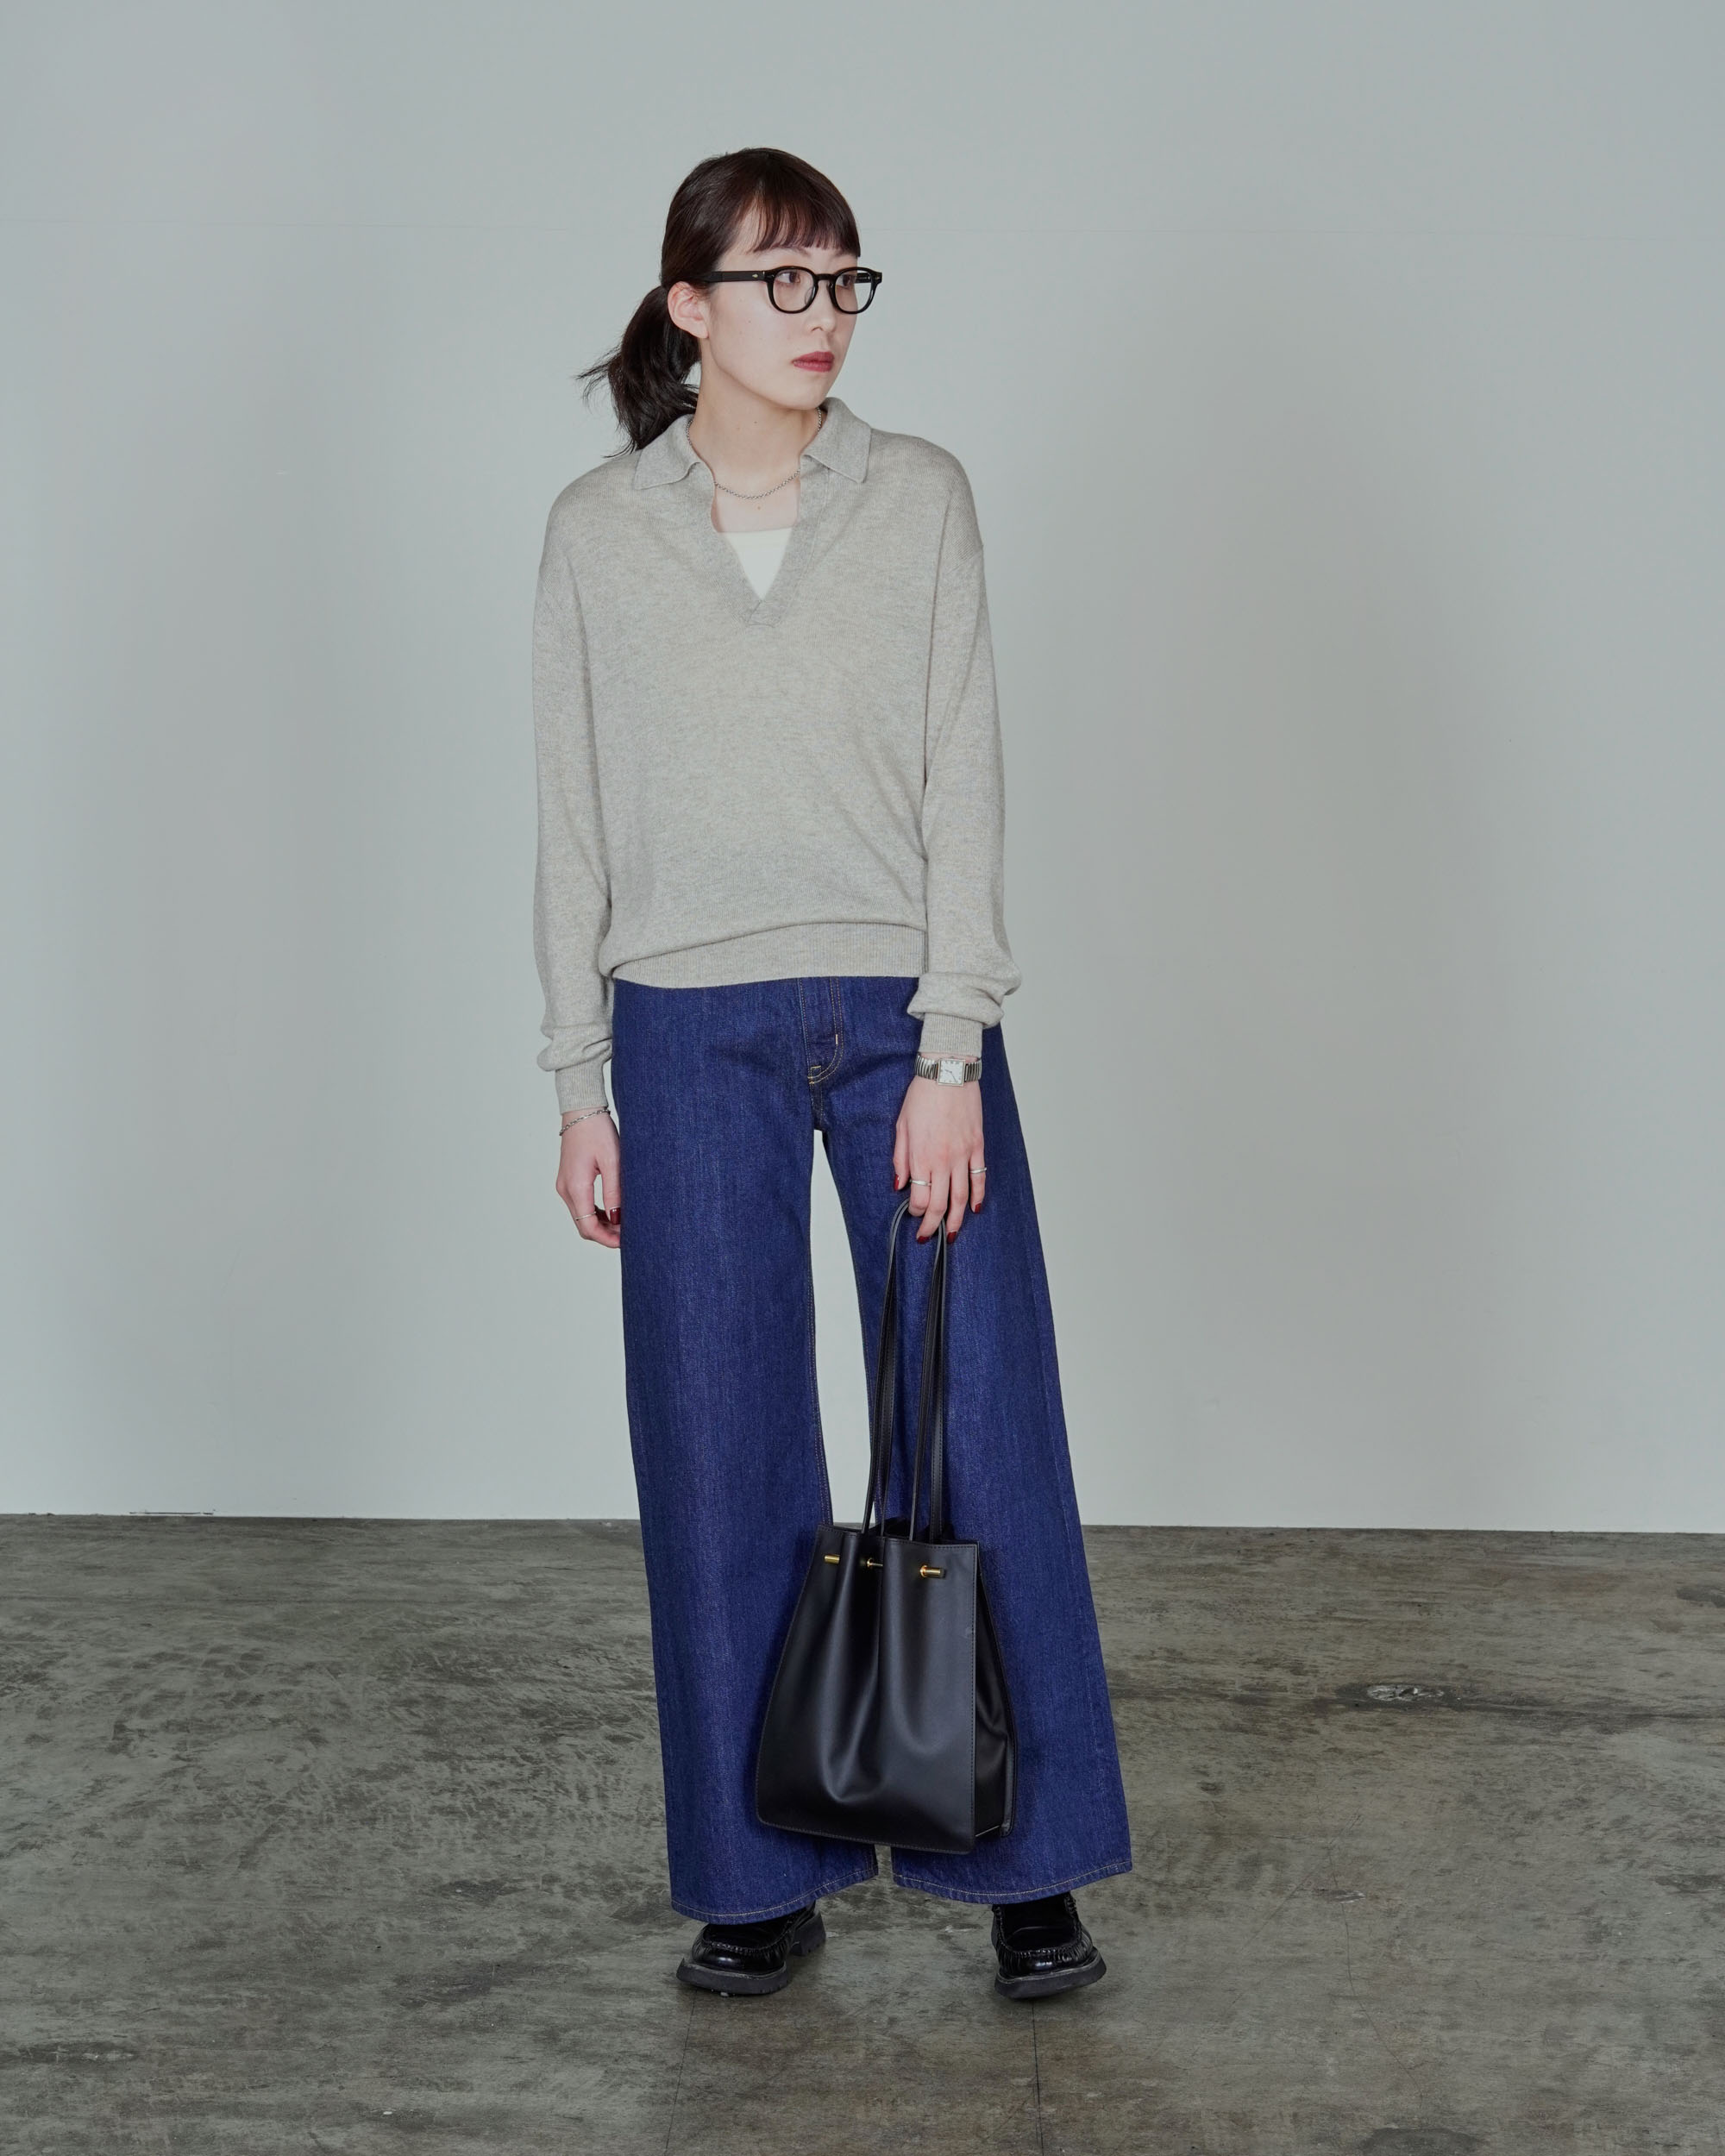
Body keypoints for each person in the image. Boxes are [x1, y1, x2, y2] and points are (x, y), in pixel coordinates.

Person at [530, 146, 1131, 2002]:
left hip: (899, 1014)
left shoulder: (920, 498)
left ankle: (1026, 1866)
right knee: (717, 1444)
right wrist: (578, 1078)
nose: (822, 316)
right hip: (679, 1018)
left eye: (844, 281)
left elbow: (965, 778)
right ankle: (753, 1878)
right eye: (782, 282)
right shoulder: (595, 532)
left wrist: (954, 1043)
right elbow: (570, 820)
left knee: (980, 1425)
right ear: (687, 306)